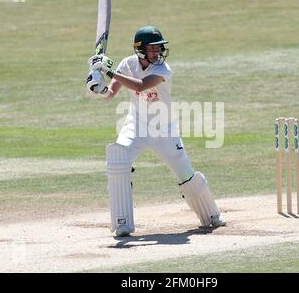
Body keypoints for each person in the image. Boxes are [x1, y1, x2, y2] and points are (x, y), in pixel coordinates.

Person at [87, 26, 226, 237]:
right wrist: (99, 86)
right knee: (117, 161)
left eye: (159, 48)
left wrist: (108, 71)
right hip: (136, 126)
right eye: (152, 49)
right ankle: (121, 223)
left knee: (186, 175)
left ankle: (211, 215)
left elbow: (141, 86)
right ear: (140, 49)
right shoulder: (128, 64)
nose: (158, 52)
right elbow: (110, 93)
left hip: (164, 129)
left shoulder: (163, 70)